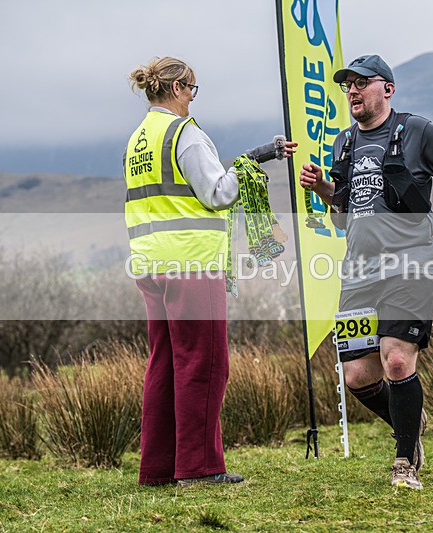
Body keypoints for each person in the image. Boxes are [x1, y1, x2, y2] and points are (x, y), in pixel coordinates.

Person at [299, 55, 433, 490]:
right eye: (348, 85)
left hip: (409, 264)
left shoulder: (415, 130)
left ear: (388, 89)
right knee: (357, 376)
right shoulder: (344, 143)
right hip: (359, 271)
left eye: (362, 83)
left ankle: (404, 463)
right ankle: (409, 425)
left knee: (397, 359)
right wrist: (324, 188)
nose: (352, 91)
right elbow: (343, 213)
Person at [125, 56, 295, 487]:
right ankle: (199, 468)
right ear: (180, 87)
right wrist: (255, 160)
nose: (193, 98)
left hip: (150, 263)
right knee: (205, 362)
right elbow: (218, 193)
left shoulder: (139, 139)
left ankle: (159, 468)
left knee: (164, 363)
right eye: (193, 89)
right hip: (193, 264)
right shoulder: (186, 134)